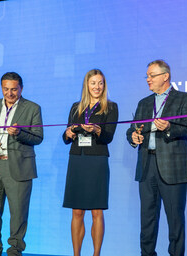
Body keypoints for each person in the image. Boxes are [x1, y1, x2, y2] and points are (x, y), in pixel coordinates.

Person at [126, 60, 187, 256]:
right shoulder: (144, 103)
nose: (148, 79)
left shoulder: (185, 99)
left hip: (173, 168)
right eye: (147, 76)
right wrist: (133, 136)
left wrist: (169, 127)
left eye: (152, 75)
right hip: (147, 167)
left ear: (165, 76)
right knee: (147, 220)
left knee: (175, 222)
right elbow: (132, 129)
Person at [0, 72, 43, 256]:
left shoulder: (32, 108)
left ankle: (15, 251)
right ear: (1, 88)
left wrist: (19, 133)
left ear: (21, 88)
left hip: (19, 168)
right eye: (6, 89)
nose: (10, 93)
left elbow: (38, 137)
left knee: (19, 215)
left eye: (14, 89)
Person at [63, 69, 118, 256]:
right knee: (77, 211)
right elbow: (66, 136)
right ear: (87, 85)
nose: (97, 87)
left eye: (100, 83)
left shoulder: (111, 107)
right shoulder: (75, 107)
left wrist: (96, 130)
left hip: (97, 160)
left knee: (97, 212)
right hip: (77, 159)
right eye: (93, 83)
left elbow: (109, 137)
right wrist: (68, 133)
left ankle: (96, 254)